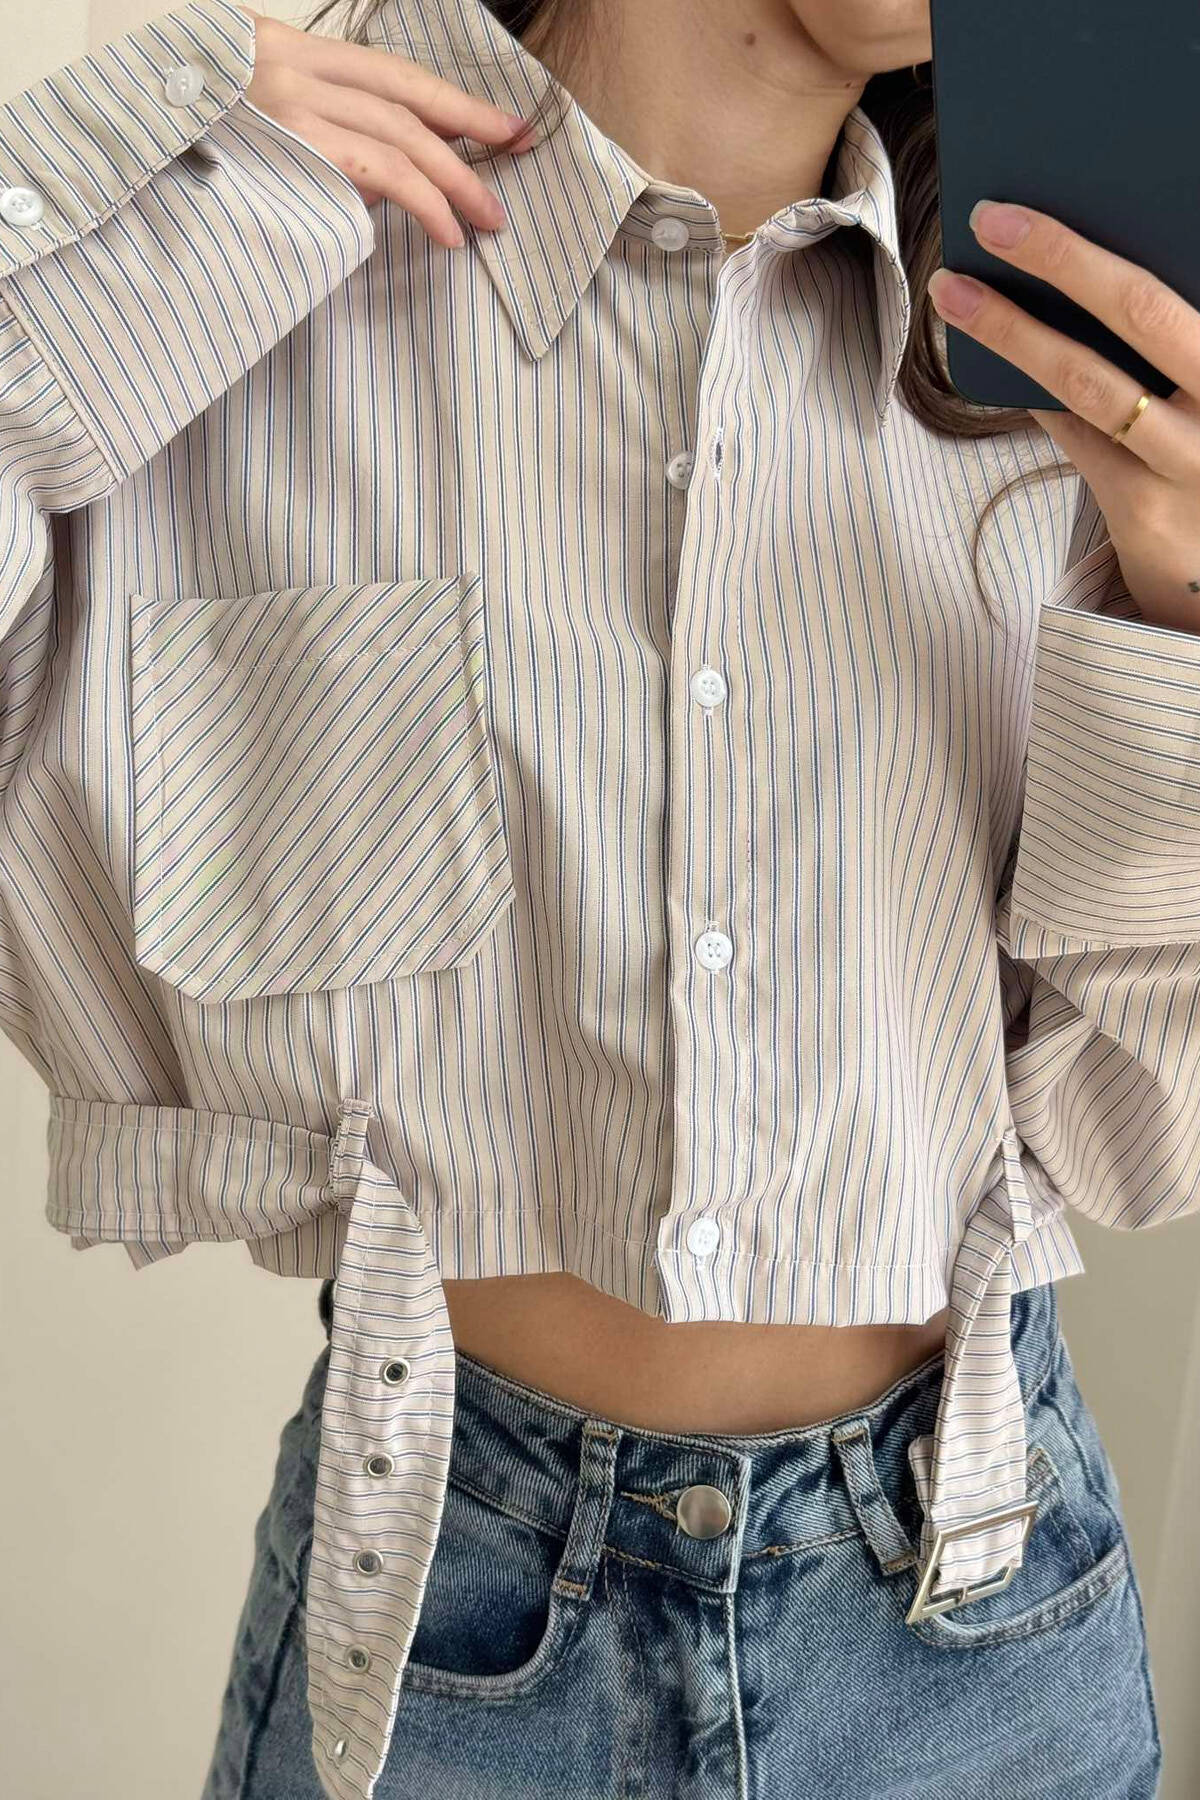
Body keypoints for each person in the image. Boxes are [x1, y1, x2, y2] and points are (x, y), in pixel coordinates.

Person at [2, 0, 1187, 1793]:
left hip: (983, 1636)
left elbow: (1133, 1135)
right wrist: (110, 192)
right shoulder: (227, 259)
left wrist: (1183, 622)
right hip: (438, 1633)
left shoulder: (1064, 377)